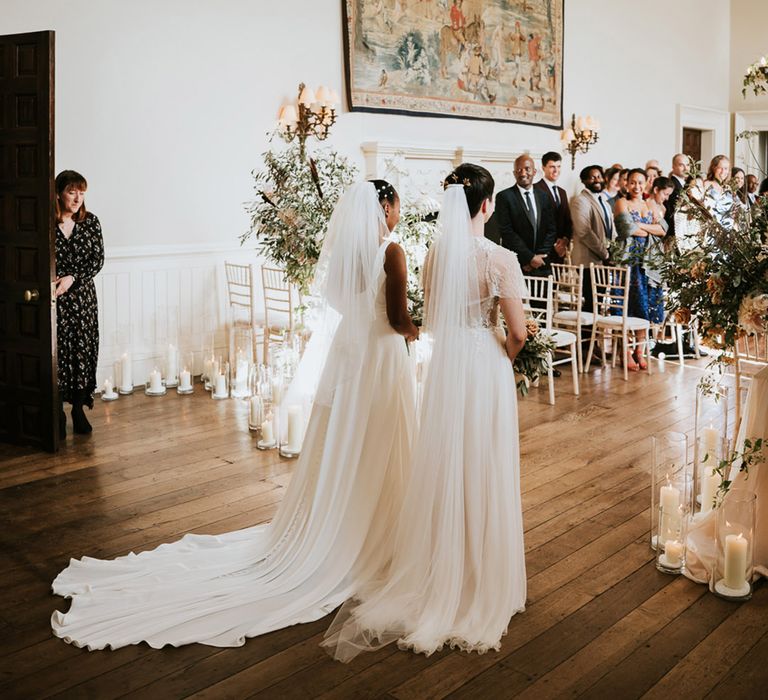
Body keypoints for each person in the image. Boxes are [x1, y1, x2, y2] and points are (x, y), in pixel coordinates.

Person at [51, 180, 420, 651]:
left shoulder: (352, 253)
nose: (398, 215)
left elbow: (341, 301)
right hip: (381, 354)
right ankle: (374, 531)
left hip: (351, 352)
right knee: (379, 437)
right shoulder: (391, 250)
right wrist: (420, 329)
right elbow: (395, 319)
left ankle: (341, 520)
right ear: (384, 207)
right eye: (397, 207)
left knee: (347, 439)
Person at [323, 163, 528, 662]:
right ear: (486, 205)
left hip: (447, 368)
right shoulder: (501, 259)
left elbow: (432, 319)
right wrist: (509, 352)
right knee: (484, 460)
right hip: (485, 365)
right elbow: (518, 332)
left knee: (445, 460)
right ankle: (482, 575)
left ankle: (440, 567)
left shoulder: (435, 255)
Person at [54, 170, 104, 437]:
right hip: (56, 301)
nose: (77, 198)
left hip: (83, 301)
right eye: (72, 191)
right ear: (59, 193)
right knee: (59, 354)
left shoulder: (91, 222)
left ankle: (78, 408)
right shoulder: (45, 223)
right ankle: (57, 411)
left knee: (82, 352)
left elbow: (97, 260)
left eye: (81, 192)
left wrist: (72, 277)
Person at [614, 169, 666, 369]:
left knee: (644, 306)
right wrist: (645, 228)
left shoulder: (650, 204)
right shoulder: (621, 203)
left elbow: (663, 230)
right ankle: (625, 351)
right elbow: (629, 230)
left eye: (640, 182)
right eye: (633, 182)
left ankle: (640, 351)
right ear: (627, 184)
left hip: (648, 263)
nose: (636, 186)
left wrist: (640, 225)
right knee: (627, 306)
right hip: (628, 261)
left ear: (646, 184)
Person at [495, 154, 557, 277]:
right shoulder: (504, 197)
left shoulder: (544, 196)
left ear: (534, 172)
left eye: (527, 169)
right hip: (517, 265)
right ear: (514, 173)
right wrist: (529, 258)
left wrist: (537, 258)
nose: (523, 173)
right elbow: (506, 231)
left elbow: (551, 230)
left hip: (541, 264)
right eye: (519, 170)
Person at [570, 165, 614, 313]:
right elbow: (584, 232)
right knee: (591, 303)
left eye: (599, 176)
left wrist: (613, 250)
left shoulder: (605, 202)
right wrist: (605, 253)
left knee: (599, 302)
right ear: (584, 180)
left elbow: (611, 229)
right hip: (587, 260)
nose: (597, 180)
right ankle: (586, 335)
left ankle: (595, 334)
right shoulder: (580, 201)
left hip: (603, 261)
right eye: (592, 177)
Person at [534, 151, 572, 264]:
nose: (556, 170)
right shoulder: (535, 190)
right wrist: (554, 244)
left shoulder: (562, 192)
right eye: (552, 167)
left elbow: (567, 220)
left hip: (560, 251)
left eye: (558, 166)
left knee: (556, 281)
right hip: (543, 250)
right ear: (543, 168)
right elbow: (538, 222)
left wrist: (565, 240)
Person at [698, 155, 736, 229]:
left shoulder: (728, 188)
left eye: (726, 168)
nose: (723, 171)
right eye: (720, 168)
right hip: (710, 227)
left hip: (727, 228)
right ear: (713, 168)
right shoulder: (706, 184)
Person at [664, 153, 690, 238]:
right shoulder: (672, 185)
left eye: (687, 165)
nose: (686, 168)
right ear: (673, 167)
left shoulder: (685, 184)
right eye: (681, 165)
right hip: (675, 231)